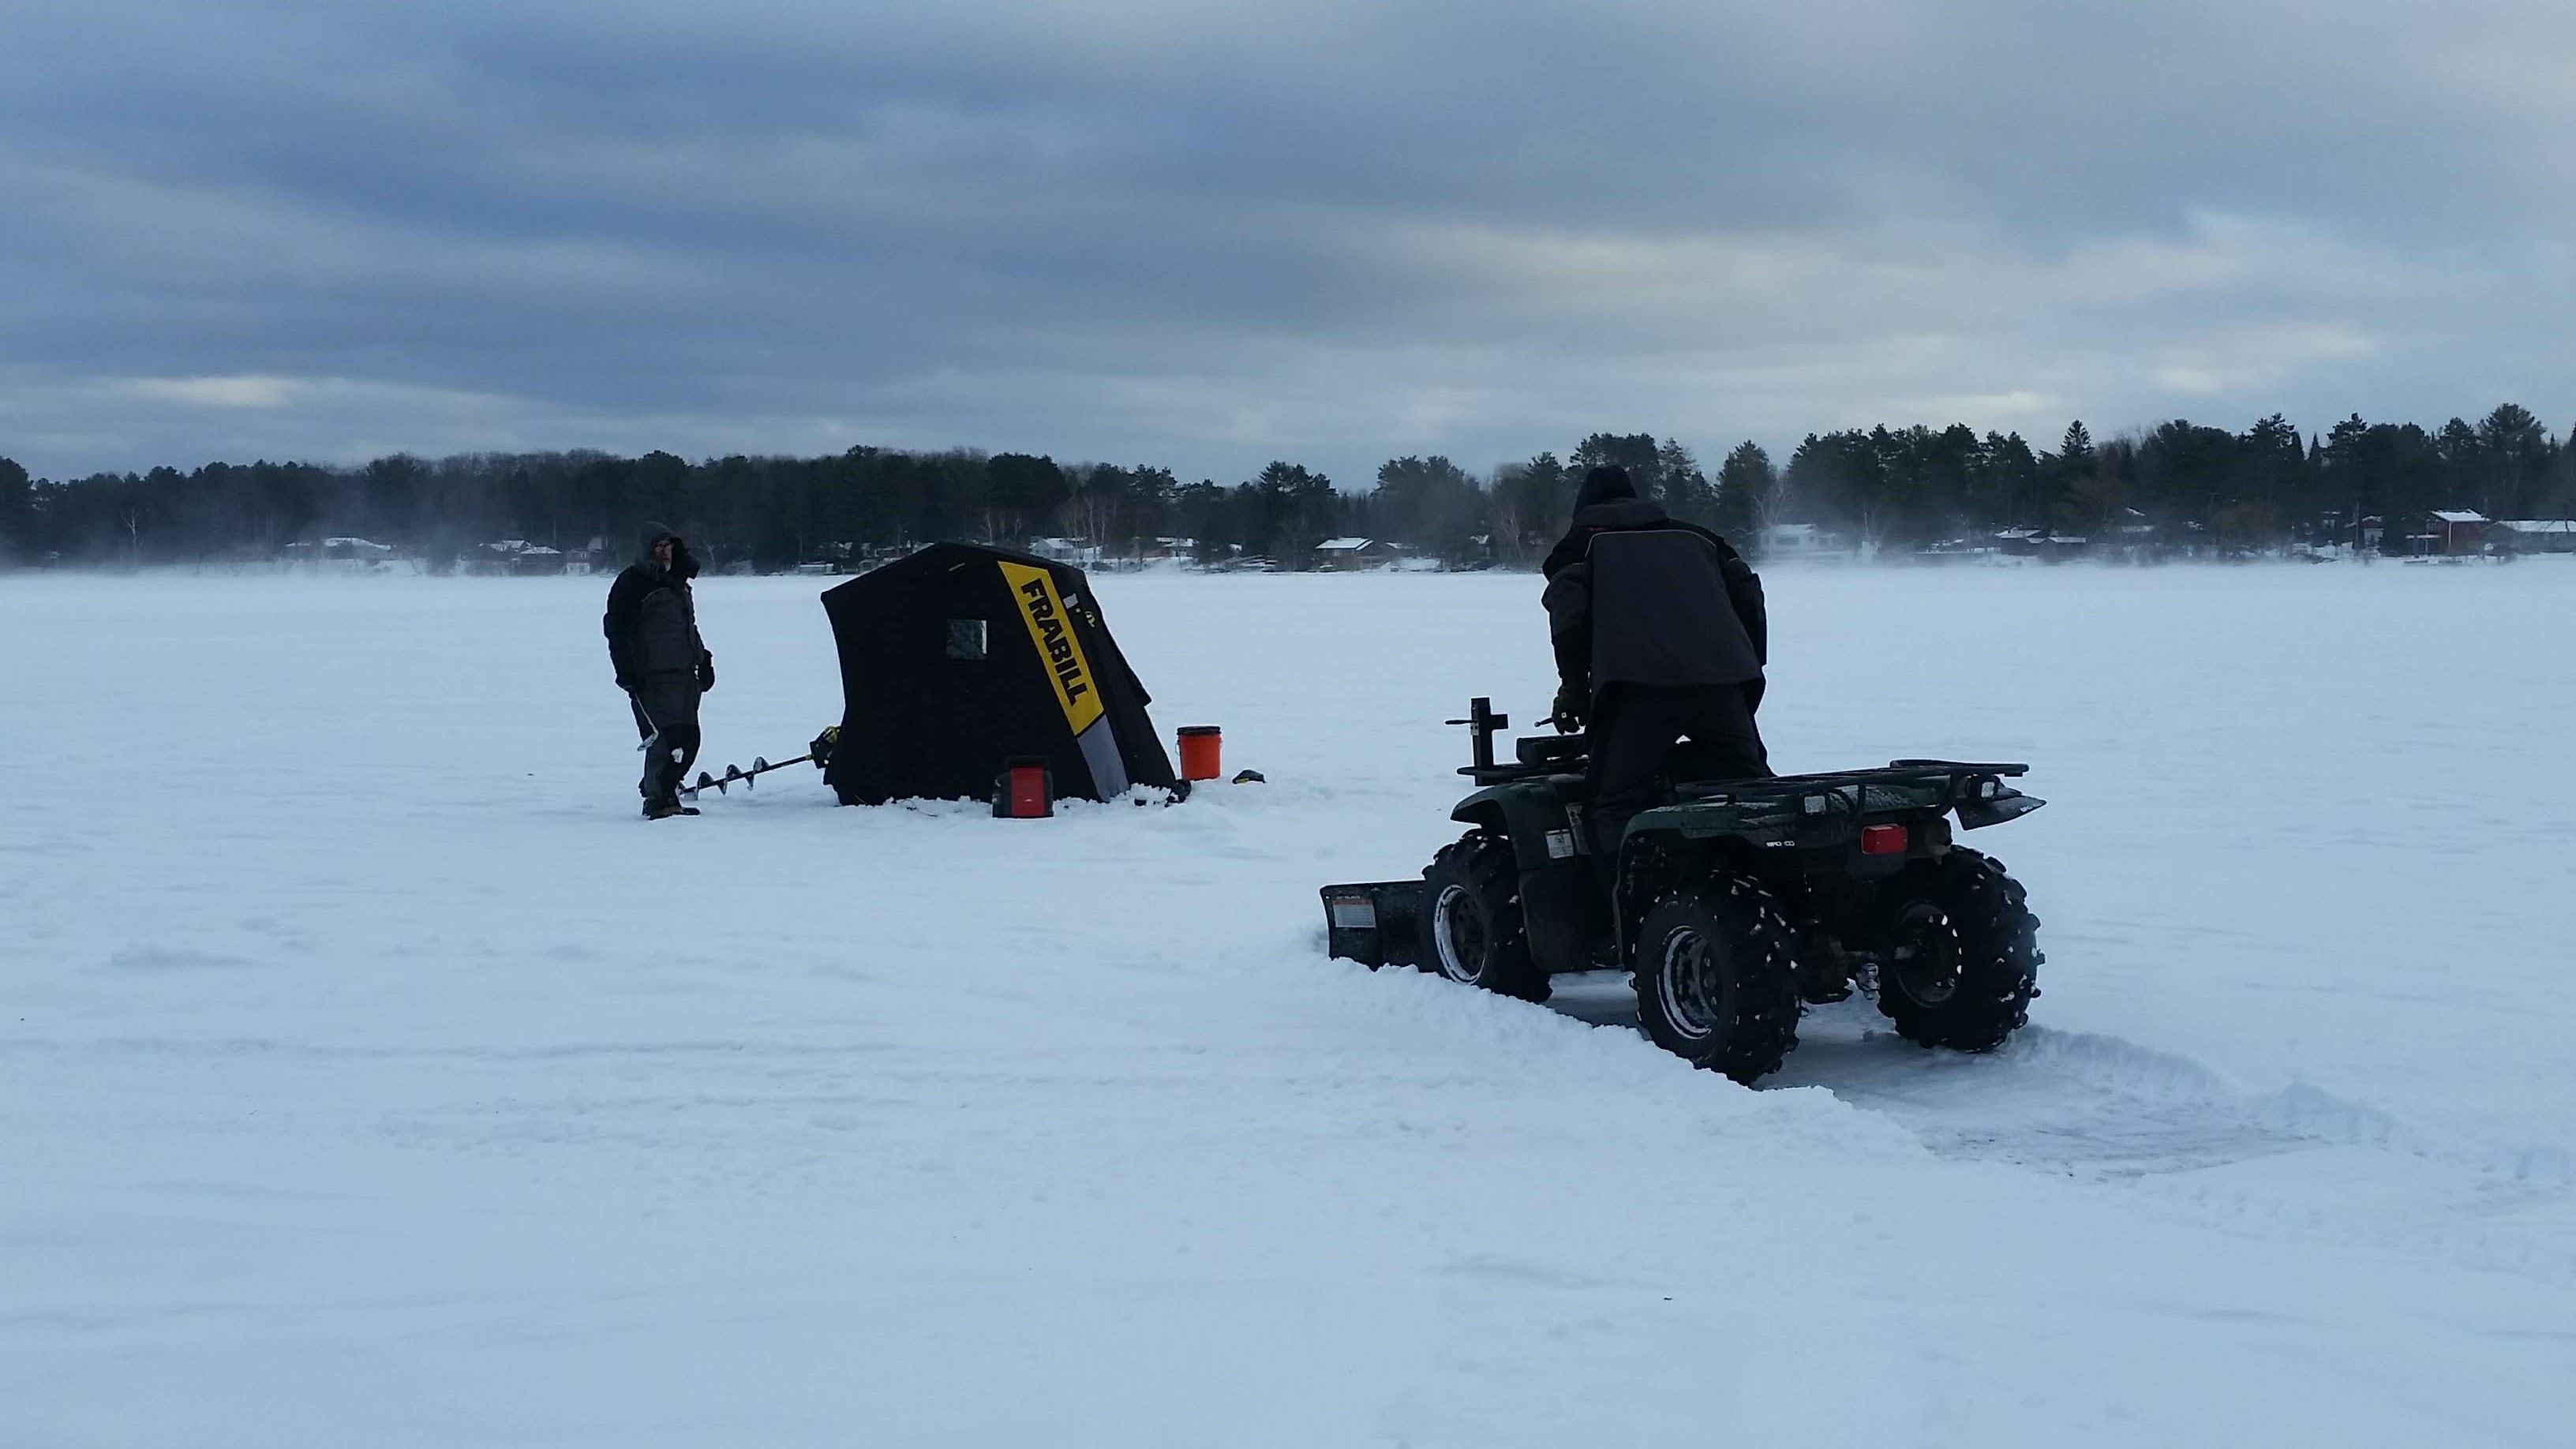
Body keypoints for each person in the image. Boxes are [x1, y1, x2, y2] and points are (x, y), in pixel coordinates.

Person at [1541, 465, 1770, 886]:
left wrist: (1574, 690)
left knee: (1612, 802)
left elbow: (1569, 621)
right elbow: (1749, 597)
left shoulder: (1579, 547)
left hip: (1637, 692)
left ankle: (1621, 913)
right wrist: (1745, 668)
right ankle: (1777, 885)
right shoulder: (1699, 537)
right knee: (1752, 790)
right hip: (1720, 685)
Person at [604, 522, 716, 818]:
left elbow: (686, 628)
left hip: (684, 673)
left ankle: (666, 791)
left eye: (669, 546)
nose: (665, 552)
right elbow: (616, 630)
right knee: (664, 740)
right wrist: (626, 670)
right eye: (659, 547)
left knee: (689, 738)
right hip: (652, 676)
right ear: (647, 550)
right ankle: (658, 799)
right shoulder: (633, 583)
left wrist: (703, 659)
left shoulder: (678, 583)